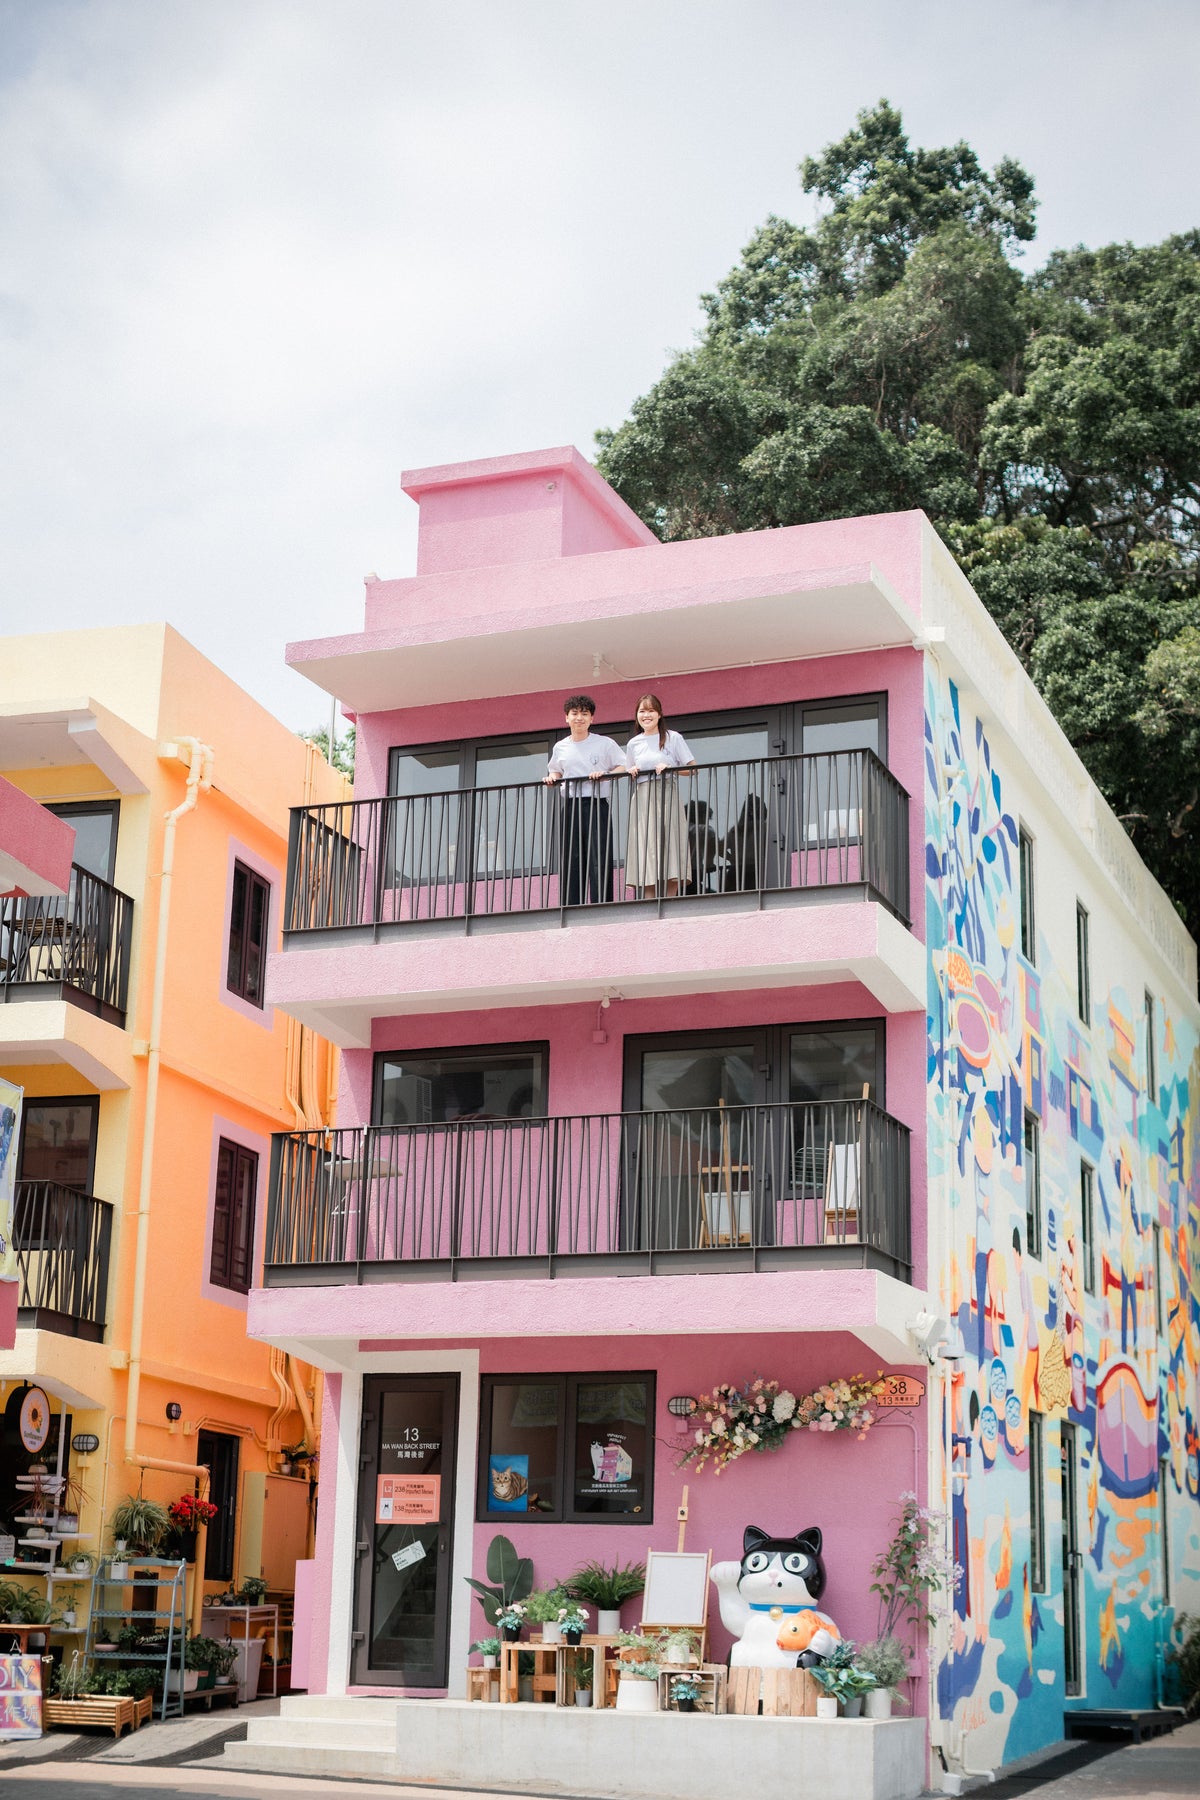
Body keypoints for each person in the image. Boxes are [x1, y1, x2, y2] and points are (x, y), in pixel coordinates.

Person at [544, 695, 626, 905]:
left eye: (584, 714)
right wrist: (552, 778)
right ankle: (572, 905)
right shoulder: (560, 747)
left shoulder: (604, 743)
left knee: (599, 855)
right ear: (566, 718)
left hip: (596, 804)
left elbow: (623, 766)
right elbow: (556, 770)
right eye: (575, 713)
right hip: (571, 805)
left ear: (592, 719)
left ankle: (601, 904)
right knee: (572, 857)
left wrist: (605, 775)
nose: (579, 718)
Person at [625, 695, 696, 897]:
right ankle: (649, 903)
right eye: (642, 711)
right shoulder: (633, 743)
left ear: (659, 714)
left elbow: (693, 769)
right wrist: (632, 771)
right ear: (636, 715)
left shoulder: (673, 738)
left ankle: (670, 901)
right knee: (646, 845)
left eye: (651, 711)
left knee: (670, 842)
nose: (646, 715)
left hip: (667, 794)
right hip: (642, 796)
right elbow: (629, 769)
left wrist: (670, 768)